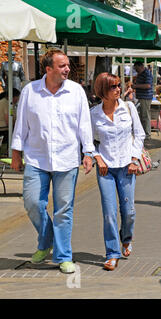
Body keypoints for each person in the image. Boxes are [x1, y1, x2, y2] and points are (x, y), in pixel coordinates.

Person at [10, 49, 94, 274]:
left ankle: (63, 256)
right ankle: (47, 240)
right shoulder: (31, 91)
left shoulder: (76, 91)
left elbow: (84, 124)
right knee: (32, 203)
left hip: (67, 159)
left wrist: (88, 152)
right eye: (62, 66)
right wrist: (16, 152)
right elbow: (22, 124)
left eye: (67, 65)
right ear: (48, 69)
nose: (67, 69)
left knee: (63, 210)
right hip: (37, 157)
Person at [90, 73, 145, 271]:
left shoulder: (128, 108)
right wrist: (97, 157)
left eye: (119, 85)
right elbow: (87, 141)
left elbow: (139, 134)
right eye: (113, 86)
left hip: (126, 166)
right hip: (105, 169)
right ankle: (112, 253)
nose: (118, 89)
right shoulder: (94, 114)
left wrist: (134, 159)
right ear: (102, 91)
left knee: (128, 211)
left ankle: (126, 238)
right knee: (109, 213)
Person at [132, 61, 153, 147]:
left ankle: (147, 135)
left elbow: (148, 85)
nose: (136, 71)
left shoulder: (146, 73)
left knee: (145, 116)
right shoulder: (141, 73)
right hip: (141, 97)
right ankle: (144, 133)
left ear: (141, 66)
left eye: (137, 69)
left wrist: (136, 86)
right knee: (141, 116)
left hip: (145, 97)